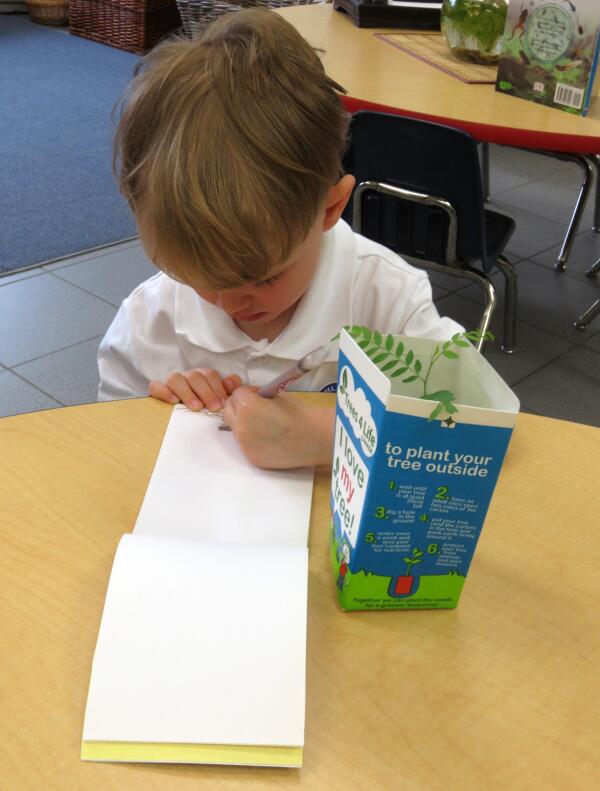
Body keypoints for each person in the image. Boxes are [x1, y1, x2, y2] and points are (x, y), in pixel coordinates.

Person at [98, 8, 463, 469]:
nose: (230, 304)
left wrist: (326, 436)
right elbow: (108, 447)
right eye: (198, 279)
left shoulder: (385, 297)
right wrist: (165, 417)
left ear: (330, 209)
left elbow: (474, 428)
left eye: (265, 279)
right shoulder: (150, 324)